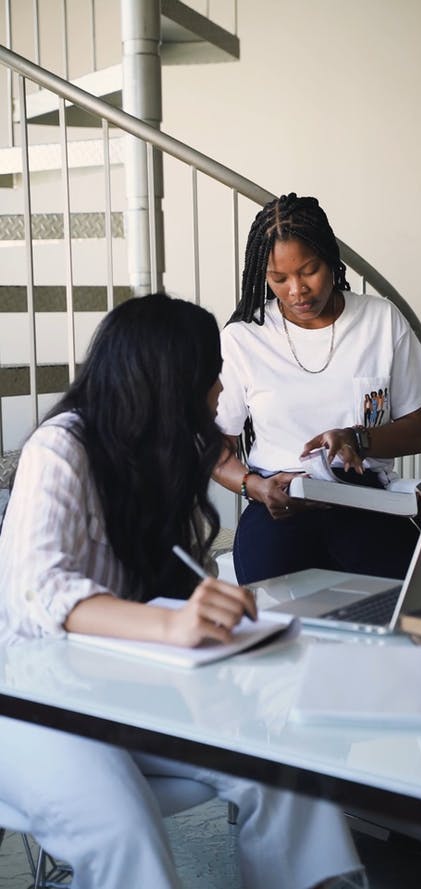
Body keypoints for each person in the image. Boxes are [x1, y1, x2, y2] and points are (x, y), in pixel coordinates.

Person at [0, 293, 367, 889]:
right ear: (165, 381)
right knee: (122, 827)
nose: (220, 391)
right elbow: (42, 590)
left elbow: (167, 586)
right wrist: (171, 626)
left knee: (284, 767)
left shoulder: (154, 455)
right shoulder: (60, 448)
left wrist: (203, 616)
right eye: (209, 375)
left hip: (123, 687)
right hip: (29, 701)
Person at [214, 194, 421, 585]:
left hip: (367, 504)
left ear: (330, 259)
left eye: (309, 270)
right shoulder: (243, 339)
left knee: (397, 616)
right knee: (282, 631)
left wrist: (359, 438)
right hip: (279, 507)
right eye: (279, 278)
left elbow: (418, 431)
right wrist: (254, 487)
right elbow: (216, 448)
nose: (296, 291)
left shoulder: (380, 320)